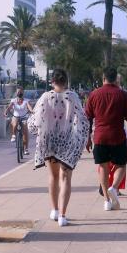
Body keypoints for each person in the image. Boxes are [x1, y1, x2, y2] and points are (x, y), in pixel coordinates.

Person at [27, 68, 89, 227]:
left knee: (53, 176)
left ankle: (54, 209)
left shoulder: (45, 97)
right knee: (65, 177)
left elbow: (34, 122)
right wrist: (82, 138)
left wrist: (39, 132)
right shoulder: (73, 97)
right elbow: (83, 120)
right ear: (66, 81)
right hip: (67, 141)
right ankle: (62, 215)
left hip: (49, 141)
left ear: (52, 81)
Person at [84, 66, 127, 211]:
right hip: (117, 137)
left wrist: (87, 138)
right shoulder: (122, 95)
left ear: (103, 78)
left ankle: (106, 201)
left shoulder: (94, 95)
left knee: (103, 167)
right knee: (121, 164)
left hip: (100, 137)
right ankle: (113, 187)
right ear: (115, 79)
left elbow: (87, 118)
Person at [3, 86, 32, 155]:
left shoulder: (26, 101)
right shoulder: (13, 101)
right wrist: (5, 112)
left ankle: (26, 149)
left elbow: (29, 107)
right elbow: (9, 107)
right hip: (16, 116)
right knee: (14, 123)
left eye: (20, 92)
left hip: (24, 117)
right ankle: (13, 135)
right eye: (18, 92)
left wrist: (32, 111)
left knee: (25, 132)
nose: (19, 93)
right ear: (16, 93)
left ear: (23, 92)